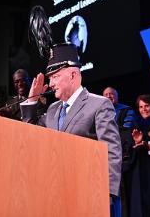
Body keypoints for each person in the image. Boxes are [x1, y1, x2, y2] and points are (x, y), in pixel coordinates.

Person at [20, 43, 122, 215]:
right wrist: (32, 101)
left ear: (73, 75)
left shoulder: (99, 104)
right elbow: (31, 138)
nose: (50, 83)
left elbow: (111, 150)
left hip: (89, 195)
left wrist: (107, 194)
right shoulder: (52, 109)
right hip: (55, 194)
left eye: (55, 77)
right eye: (50, 77)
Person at [103, 86, 136, 216]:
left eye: (111, 94)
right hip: (103, 156)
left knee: (120, 190)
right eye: (106, 94)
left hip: (121, 154)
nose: (109, 96)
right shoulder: (100, 111)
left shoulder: (126, 110)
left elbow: (126, 130)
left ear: (117, 96)